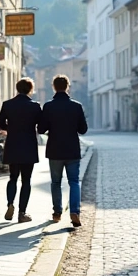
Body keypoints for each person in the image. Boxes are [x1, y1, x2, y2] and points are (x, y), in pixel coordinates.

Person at [38, 74, 88, 227]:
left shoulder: (48, 106)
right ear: (68, 86)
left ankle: (57, 212)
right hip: (72, 149)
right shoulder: (77, 106)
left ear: (53, 87)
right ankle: (74, 211)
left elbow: (41, 129)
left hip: (55, 149)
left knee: (56, 182)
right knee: (74, 181)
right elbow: (83, 129)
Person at [0, 77, 41, 223]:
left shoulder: (8, 104)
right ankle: (22, 213)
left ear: (17, 88)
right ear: (30, 89)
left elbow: (0, 124)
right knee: (26, 180)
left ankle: (10, 204)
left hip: (13, 144)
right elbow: (41, 127)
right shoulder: (35, 106)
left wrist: (12, 129)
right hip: (28, 146)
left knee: (12, 178)